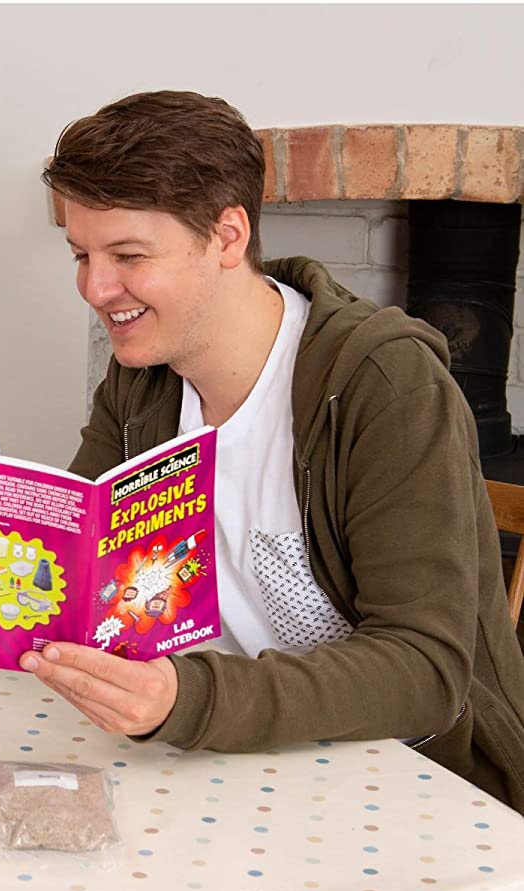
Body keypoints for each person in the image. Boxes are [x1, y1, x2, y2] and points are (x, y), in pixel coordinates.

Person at [26, 89, 524, 809]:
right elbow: (79, 564)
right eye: (82, 254)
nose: (95, 288)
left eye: (128, 255)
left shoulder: (384, 386)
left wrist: (186, 697)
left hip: (415, 785)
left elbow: (426, 669)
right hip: (221, 767)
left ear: (228, 236)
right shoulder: (141, 378)